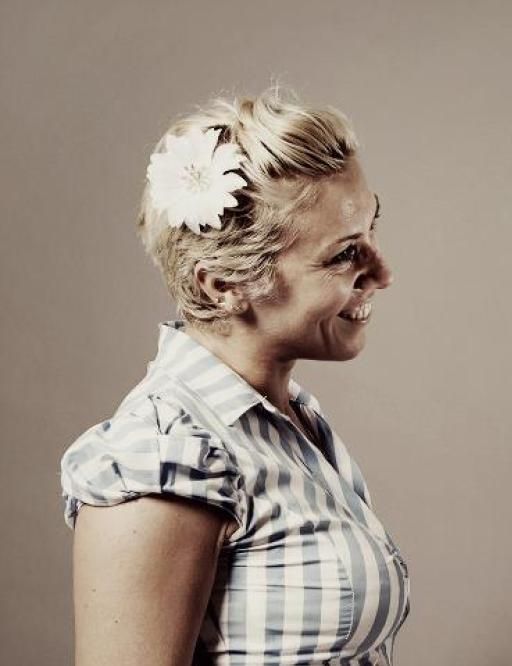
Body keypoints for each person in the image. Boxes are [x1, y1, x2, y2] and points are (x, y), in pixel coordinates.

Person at [60, 89, 408, 665]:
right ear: (223, 284)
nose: (383, 273)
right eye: (345, 254)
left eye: (373, 229)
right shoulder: (165, 453)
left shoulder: (286, 423)